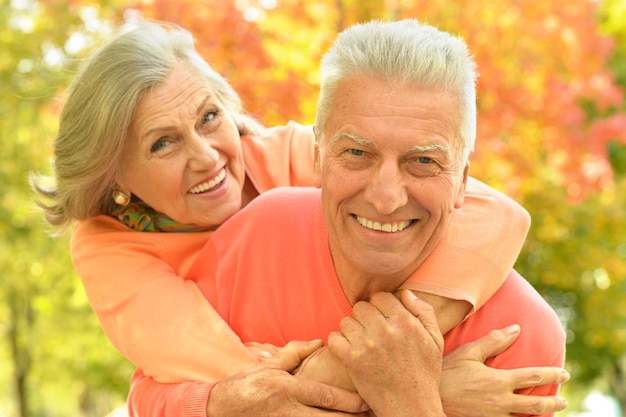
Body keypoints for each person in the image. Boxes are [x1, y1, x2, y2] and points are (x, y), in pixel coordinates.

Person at [125, 19, 568, 417]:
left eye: (423, 162)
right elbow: (148, 394)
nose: (386, 198)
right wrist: (224, 404)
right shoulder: (258, 238)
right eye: (357, 153)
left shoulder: (522, 338)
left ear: (462, 181)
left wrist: (413, 401)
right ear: (318, 159)